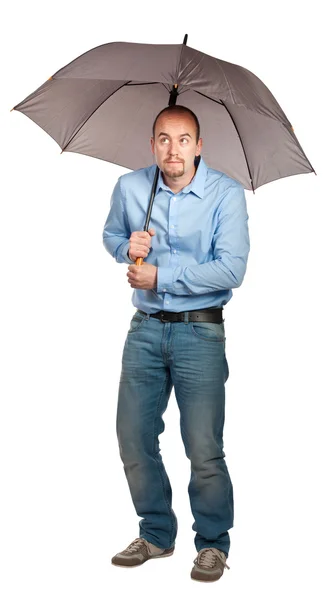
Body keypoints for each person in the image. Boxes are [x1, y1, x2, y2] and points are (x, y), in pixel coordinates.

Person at [102, 105, 250, 582]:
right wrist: (128, 248)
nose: (173, 149)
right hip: (144, 330)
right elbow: (110, 234)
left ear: (199, 146)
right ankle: (156, 534)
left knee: (203, 445)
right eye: (164, 139)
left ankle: (212, 544)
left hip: (200, 333)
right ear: (153, 144)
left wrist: (161, 274)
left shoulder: (225, 194)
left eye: (183, 140)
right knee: (133, 437)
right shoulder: (131, 188)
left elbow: (232, 269)